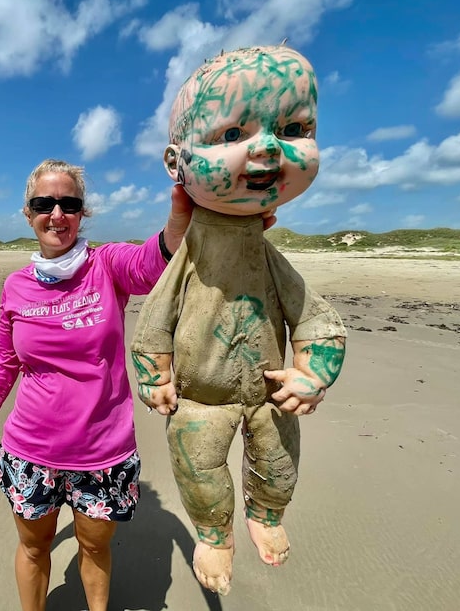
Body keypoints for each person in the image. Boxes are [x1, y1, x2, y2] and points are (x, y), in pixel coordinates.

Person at [0, 158, 273, 611]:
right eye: (45, 203)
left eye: (69, 203)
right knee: (32, 548)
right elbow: (4, 363)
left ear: (83, 212)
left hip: (101, 453)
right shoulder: (16, 286)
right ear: (29, 213)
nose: (57, 214)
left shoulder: (106, 266)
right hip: (29, 451)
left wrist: (182, 213)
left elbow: (156, 259)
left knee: (95, 547)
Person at [130, 45, 347, 596]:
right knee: (199, 469)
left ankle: (267, 515)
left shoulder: (269, 256)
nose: (269, 149)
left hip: (270, 394)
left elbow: (315, 320)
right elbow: (156, 315)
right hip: (199, 397)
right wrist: (156, 376)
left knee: (279, 467)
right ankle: (212, 534)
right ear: (176, 163)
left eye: (294, 127)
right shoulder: (192, 253)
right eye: (232, 136)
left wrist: (313, 372)